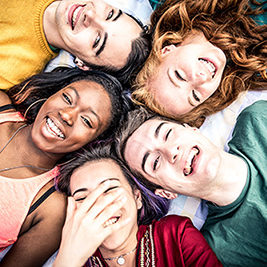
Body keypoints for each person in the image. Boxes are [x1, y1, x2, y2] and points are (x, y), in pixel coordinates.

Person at [0, 67, 127, 266]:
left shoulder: (51, 208)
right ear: (53, 94)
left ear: (92, 143)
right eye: (67, 98)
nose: (67, 115)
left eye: (86, 120)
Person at [115, 101, 267, 266]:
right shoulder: (221, 252)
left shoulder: (257, 118)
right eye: (155, 162)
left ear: (191, 129)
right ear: (166, 193)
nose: (171, 151)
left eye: (167, 134)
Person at [53, 143, 222, 267]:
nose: (100, 205)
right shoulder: (70, 261)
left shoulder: (175, 234)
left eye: (110, 188)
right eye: (83, 198)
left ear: (137, 197)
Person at [131, 0, 267, 127]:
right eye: (196, 96)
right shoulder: (258, 69)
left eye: (179, 76)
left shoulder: (170, 6)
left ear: (166, 51)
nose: (201, 78)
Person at [0, 0, 150, 90]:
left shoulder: (10, 70)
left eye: (97, 41)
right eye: (110, 15)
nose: (90, 16)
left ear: (83, 64)